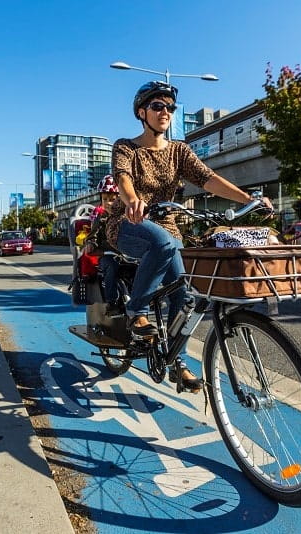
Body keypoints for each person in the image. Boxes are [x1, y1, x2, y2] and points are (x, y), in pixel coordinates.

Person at [105, 81, 273, 393]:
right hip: (128, 222)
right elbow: (123, 178)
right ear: (142, 112)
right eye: (157, 106)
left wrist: (248, 199)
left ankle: (177, 362)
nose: (165, 112)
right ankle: (136, 311)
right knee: (163, 244)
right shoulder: (126, 147)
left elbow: (208, 179)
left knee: (185, 293)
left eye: (170, 107)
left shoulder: (179, 151)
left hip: (167, 226)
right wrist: (133, 201)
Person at [81, 175, 121, 314]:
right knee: (111, 266)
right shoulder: (100, 217)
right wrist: (91, 244)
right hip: (107, 254)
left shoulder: (126, 215)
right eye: (105, 199)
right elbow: (93, 235)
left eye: (112, 199)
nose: (108, 203)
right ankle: (112, 302)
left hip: (127, 254)